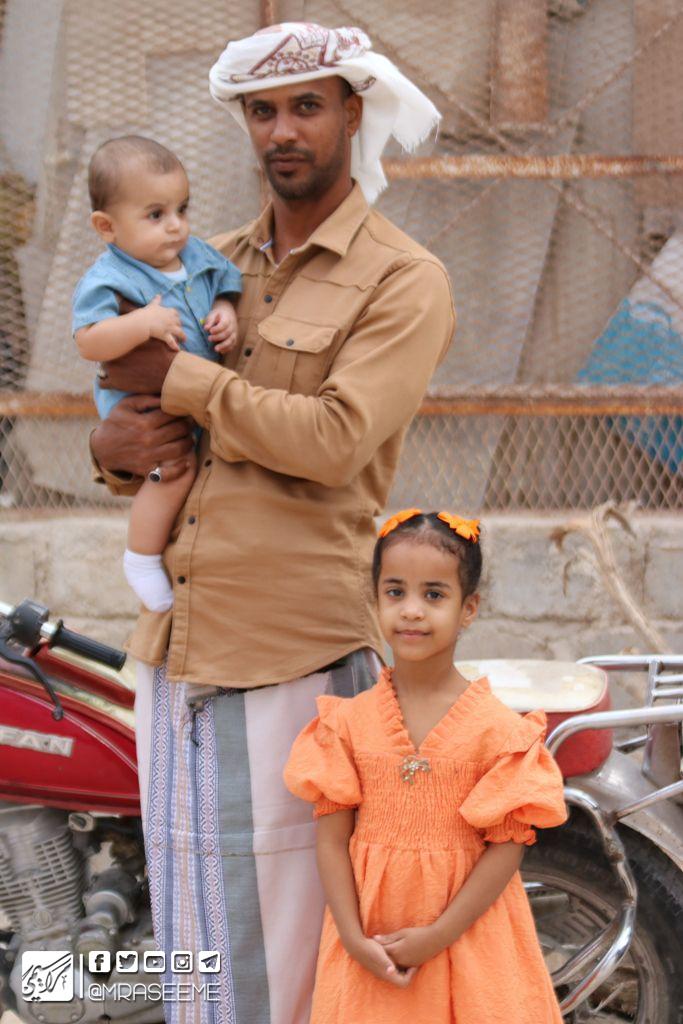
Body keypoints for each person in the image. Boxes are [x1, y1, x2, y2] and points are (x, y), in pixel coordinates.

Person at [90, 22, 455, 1024]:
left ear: (352, 113)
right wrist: (112, 448)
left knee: (288, 961)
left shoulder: (401, 278)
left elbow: (335, 440)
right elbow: (139, 412)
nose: (282, 131)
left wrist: (185, 381)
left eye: (305, 107)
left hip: (293, 660)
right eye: (261, 111)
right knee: (198, 946)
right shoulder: (202, 263)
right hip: (177, 651)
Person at [285, 509, 568, 1023]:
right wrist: (352, 937)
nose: (412, 611)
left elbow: (507, 847)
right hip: (371, 941)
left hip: (468, 941)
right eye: (395, 592)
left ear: (468, 608)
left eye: (434, 595)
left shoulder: (498, 731)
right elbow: (331, 840)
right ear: (375, 600)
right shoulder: (346, 725)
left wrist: (438, 935)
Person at [74, 136, 241, 614]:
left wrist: (225, 310)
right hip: (146, 405)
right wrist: (140, 323)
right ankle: (141, 557)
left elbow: (227, 285)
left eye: (182, 209)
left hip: (198, 395)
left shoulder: (199, 255)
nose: (175, 226)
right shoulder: (109, 277)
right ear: (106, 226)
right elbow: (89, 340)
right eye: (155, 215)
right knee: (170, 470)